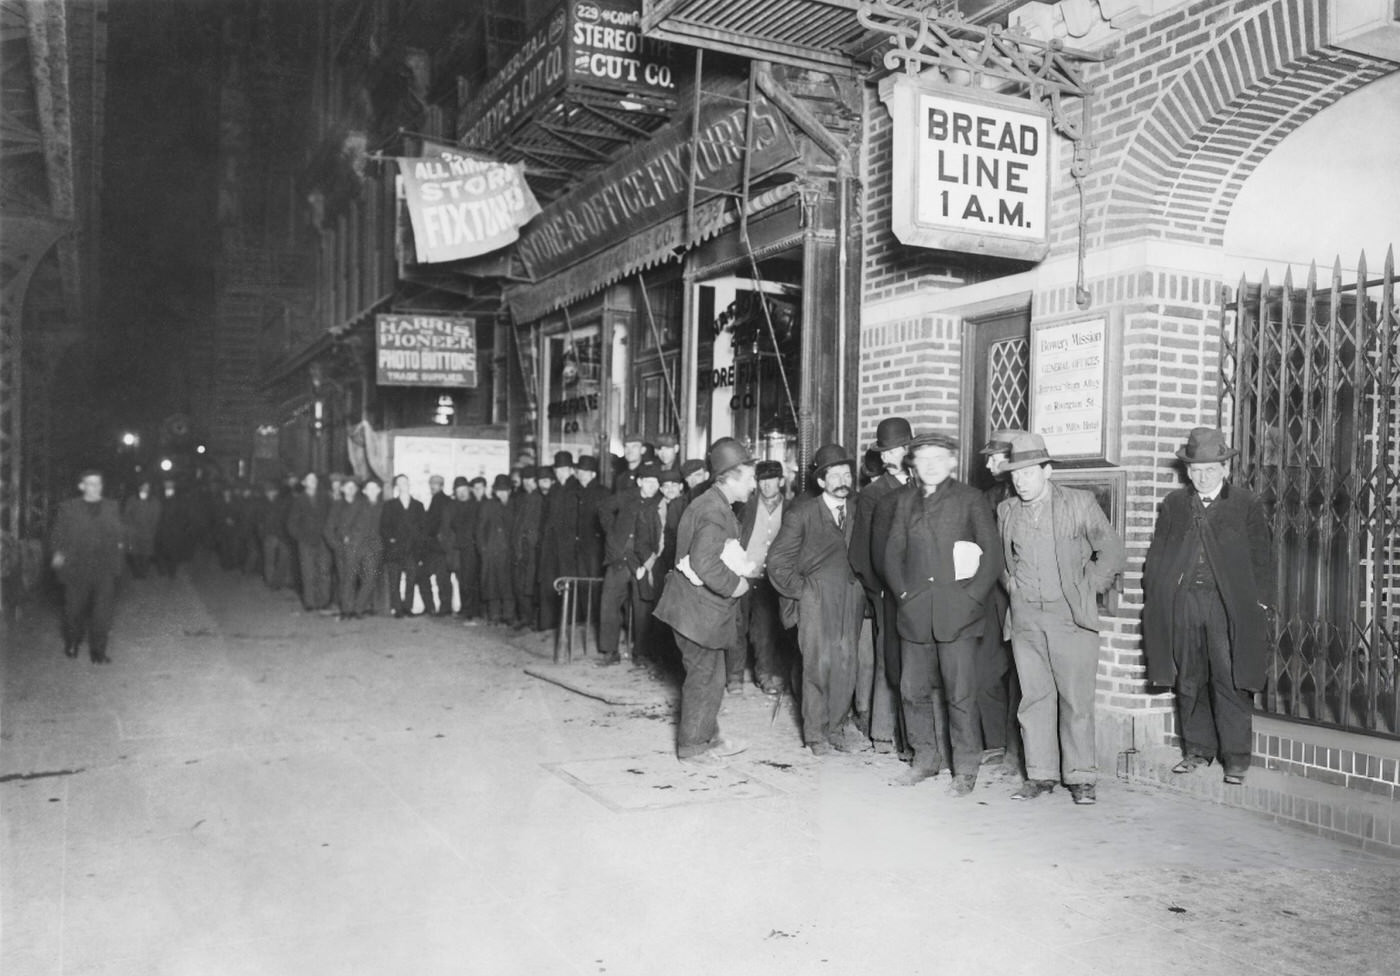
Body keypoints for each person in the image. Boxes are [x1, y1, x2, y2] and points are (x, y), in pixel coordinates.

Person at [997, 432, 1125, 804]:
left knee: (1075, 700)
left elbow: (1112, 551)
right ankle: (1039, 774)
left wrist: (1089, 587)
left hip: (1070, 619)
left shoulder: (1079, 504)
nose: (1020, 480)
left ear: (1047, 471)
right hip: (1026, 620)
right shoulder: (1006, 511)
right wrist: (1013, 589)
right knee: (1034, 698)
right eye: (1015, 474)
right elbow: (1004, 560)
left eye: (1028, 472)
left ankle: (1081, 777)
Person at [1142, 426, 1274, 787]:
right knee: (1189, 676)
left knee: (1230, 677)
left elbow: (1262, 558)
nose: (1203, 477)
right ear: (1187, 471)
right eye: (1196, 470)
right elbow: (1159, 554)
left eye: (1211, 470)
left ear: (1225, 470)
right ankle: (1198, 750)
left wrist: (1258, 604)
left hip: (1225, 605)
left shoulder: (1245, 504)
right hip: (1184, 604)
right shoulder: (1174, 505)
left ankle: (1236, 758)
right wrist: (1157, 593)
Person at [884, 433, 1003, 794]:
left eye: (939, 457)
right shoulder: (904, 502)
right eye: (923, 458)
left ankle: (965, 770)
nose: (931, 464)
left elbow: (992, 556)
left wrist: (971, 600)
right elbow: (892, 555)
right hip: (916, 614)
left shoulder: (971, 500)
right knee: (912, 690)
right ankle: (925, 759)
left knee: (960, 695)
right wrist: (905, 595)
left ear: (953, 461)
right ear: (913, 464)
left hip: (959, 615)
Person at [654, 437, 756, 766]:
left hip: (695, 610)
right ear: (731, 476)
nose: (754, 484)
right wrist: (736, 586)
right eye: (750, 477)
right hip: (695, 612)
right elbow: (704, 562)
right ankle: (693, 746)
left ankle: (707, 736)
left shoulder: (711, 502)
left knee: (711, 676)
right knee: (703, 677)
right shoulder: (713, 510)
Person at [767, 444, 867, 756]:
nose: (842, 479)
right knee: (817, 665)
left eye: (847, 473)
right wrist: (804, 591)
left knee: (846, 663)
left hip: (850, 597)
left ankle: (836, 727)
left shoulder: (859, 510)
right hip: (815, 599)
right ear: (821, 481)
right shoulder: (802, 514)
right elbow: (777, 562)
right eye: (834, 474)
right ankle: (815, 734)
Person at [851, 417, 914, 754]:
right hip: (887, 592)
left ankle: (914, 734)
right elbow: (861, 551)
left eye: (897, 449)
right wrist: (880, 593)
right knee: (887, 660)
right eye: (886, 451)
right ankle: (882, 732)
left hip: (920, 592)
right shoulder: (874, 494)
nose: (891, 456)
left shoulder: (923, 486)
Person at [976, 431, 1023, 771]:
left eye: (994, 456)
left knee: (1024, 674)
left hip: (1027, 596)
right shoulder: (987, 498)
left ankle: (1020, 749)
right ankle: (994, 741)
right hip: (994, 595)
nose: (989, 462)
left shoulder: (1031, 496)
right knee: (986, 669)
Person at [49, 470, 127, 663]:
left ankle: (98, 651)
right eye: (90, 484)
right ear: (81, 486)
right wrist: (58, 553)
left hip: (104, 569)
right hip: (76, 568)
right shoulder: (68, 508)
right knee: (74, 611)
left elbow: (120, 533)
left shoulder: (112, 506)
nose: (95, 488)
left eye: (98, 484)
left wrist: (121, 544)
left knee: (102, 613)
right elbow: (57, 534)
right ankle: (73, 642)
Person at [733, 459, 790, 696]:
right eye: (762, 480)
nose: (767, 485)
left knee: (764, 629)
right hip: (745, 575)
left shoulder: (791, 509)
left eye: (772, 480)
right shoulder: (746, 506)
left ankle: (765, 675)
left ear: (781, 481)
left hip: (771, 579)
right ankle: (734, 674)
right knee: (737, 625)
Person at [597, 462, 662, 666]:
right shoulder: (626, 496)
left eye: (656, 482)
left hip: (643, 561)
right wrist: (612, 534)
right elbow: (603, 508)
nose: (652, 486)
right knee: (609, 603)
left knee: (642, 606)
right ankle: (610, 651)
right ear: (640, 481)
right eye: (648, 481)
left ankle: (641, 653)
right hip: (618, 557)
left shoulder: (660, 503)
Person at [538, 451, 582, 631]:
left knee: (568, 585)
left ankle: (569, 625)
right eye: (557, 469)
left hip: (568, 547)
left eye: (564, 469)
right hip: (551, 546)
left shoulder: (576, 489)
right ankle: (549, 626)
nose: (560, 473)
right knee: (550, 584)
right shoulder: (554, 490)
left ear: (571, 469)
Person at [381, 474, 425, 618]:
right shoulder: (389, 505)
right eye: (400, 483)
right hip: (395, 550)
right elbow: (384, 527)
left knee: (411, 579)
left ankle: (408, 607)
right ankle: (397, 608)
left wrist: (418, 546)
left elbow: (422, 528)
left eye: (405, 482)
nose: (403, 485)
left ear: (409, 483)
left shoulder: (418, 505)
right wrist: (391, 540)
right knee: (394, 580)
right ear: (396, 487)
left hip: (412, 550)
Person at [287, 472, 333, 612]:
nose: (313, 481)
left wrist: (330, 535)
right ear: (304, 483)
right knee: (308, 571)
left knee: (324, 571)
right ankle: (310, 602)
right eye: (309, 479)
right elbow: (291, 523)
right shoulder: (298, 500)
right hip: (306, 542)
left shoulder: (325, 498)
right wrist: (300, 537)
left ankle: (324, 601)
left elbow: (332, 517)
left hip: (323, 541)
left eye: (315, 479)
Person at [476, 474, 516, 624]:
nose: (502, 494)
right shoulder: (488, 506)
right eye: (499, 491)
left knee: (508, 585)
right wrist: (483, 550)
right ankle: (494, 615)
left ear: (510, 491)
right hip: (492, 552)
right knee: (492, 585)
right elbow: (479, 529)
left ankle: (509, 615)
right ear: (494, 491)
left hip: (510, 552)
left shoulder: (514, 505)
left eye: (505, 490)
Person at [511, 467, 544, 628]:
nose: (526, 482)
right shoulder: (522, 498)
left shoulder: (540, 498)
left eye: (529, 479)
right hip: (521, 548)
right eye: (524, 479)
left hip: (533, 548)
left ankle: (534, 618)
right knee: (521, 583)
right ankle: (525, 616)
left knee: (531, 584)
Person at [418, 474, 453, 616]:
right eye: (431, 483)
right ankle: (435, 607)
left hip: (439, 548)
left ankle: (439, 608)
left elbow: (435, 525)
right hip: (434, 547)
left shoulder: (443, 500)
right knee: (428, 576)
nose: (433, 486)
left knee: (441, 579)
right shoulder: (437, 500)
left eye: (436, 483)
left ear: (442, 485)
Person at [449, 477, 482, 622]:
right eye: (458, 491)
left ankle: (472, 610)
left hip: (473, 549)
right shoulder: (454, 506)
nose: (462, 494)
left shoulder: (475, 505)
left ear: (469, 490)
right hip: (459, 548)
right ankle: (465, 608)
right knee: (461, 579)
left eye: (464, 491)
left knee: (470, 579)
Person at [255, 479, 293, 590]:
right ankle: (270, 581)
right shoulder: (262, 504)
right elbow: (258, 521)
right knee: (269, 560)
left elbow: (285, 518)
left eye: (272, 491)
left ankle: (279, 580)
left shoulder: (282, 503)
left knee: (283, 558)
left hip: (281, 535)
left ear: (276, 492)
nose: (270, 494)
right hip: (269, 536)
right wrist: (261, 534)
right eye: (268, 492)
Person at [122, 479, 161, 579]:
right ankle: (136, 571)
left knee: (146, 553)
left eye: (147, 487)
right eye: (143, 486)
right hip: (134, 532)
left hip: (148, 532)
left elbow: (156, 517)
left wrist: (152, 530)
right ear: (139, 487)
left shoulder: (154, 501)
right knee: (134, 553)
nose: (145, 489)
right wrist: (130, 529)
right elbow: (127, 515)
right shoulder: (132, 499)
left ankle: (144, 572)